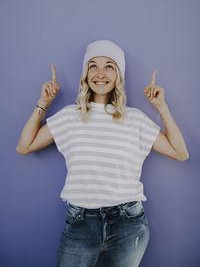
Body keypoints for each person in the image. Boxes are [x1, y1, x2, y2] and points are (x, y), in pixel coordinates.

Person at [16, 39, 189, 267]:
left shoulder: (134, 118)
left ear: (118, 75)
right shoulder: (71, 116)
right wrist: (43, 103)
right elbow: (25, 146)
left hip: (128, 224)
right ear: (86, 74)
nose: (100, 73)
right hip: (80, 223)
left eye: (109, 66)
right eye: (93, 66)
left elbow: (180, 152)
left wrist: (162, 109)